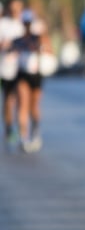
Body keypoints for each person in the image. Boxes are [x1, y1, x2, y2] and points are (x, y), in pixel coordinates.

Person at [11, 9, 53, 153]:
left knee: (34, 106)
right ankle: (23, 136)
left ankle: (35, 131)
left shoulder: (39, 37)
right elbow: (10, 53)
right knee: (22, 104)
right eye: (25, 22)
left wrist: (42, 40)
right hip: (22, 74)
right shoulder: (17, 40)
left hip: (36, 75)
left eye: (29, 23)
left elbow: (49, 51)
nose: (27, 25)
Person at [0, 0, 25, 149]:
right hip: (5, 70)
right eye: (13, 8)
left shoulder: (25, 25)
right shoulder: (3, 25)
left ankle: (23, 132)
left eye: (19, 8)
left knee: (22, 100)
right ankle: (9, 129)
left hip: (21, 69)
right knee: (8, 100)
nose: (16, 11)